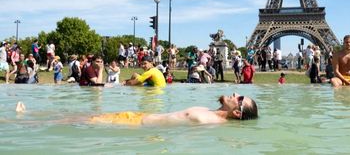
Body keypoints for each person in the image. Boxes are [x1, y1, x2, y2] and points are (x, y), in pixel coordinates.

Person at [16, 93, 258, 126]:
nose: (235, 93)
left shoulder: (210, 121)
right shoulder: (209, 111)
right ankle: (29, 117)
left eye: (240, 98)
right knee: (78, 117)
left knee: (78, 120)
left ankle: (21, 122)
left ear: (237, 112)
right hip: (136, 117)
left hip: (135, 124)